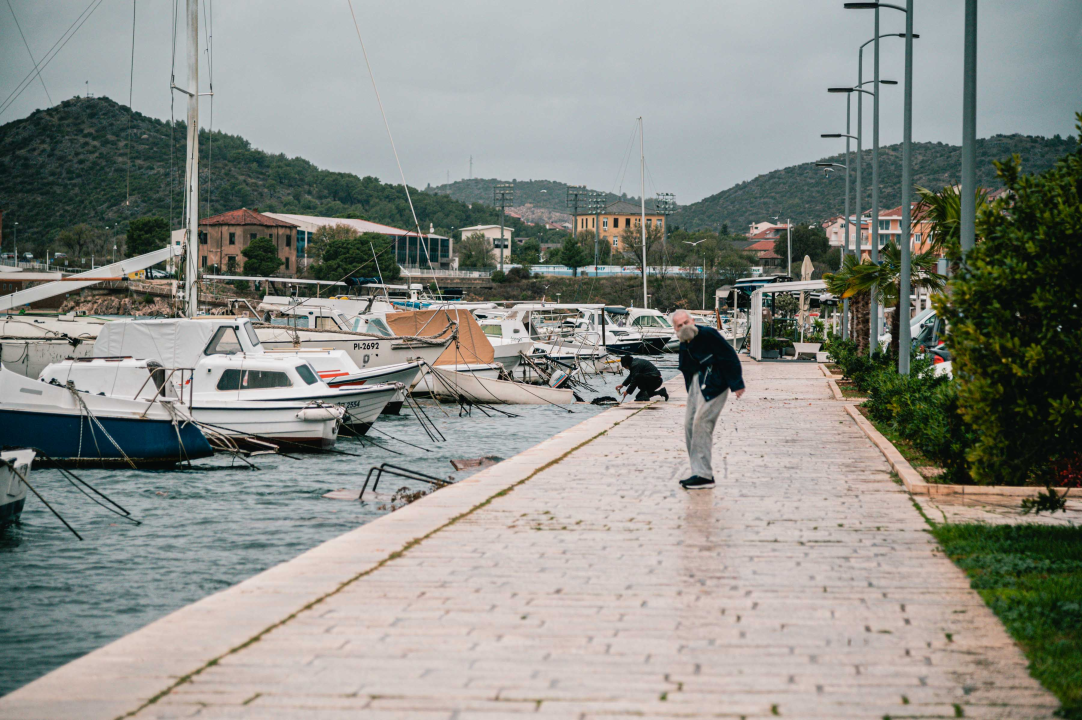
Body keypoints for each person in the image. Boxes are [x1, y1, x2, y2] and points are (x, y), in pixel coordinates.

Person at [672, 309, 745, 490]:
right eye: (679, 326)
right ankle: (697, 471)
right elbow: (687, 370)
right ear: (675, 329)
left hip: (716, 383)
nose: (684, 327)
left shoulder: (708, 334)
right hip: (697, 384)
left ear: (693, 321)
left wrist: (737, 383)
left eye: (686, 323)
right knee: (689, 425)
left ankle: (704, 475)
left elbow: (729, 356)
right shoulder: (683, 343)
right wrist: (691, 393)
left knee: (701, 423)